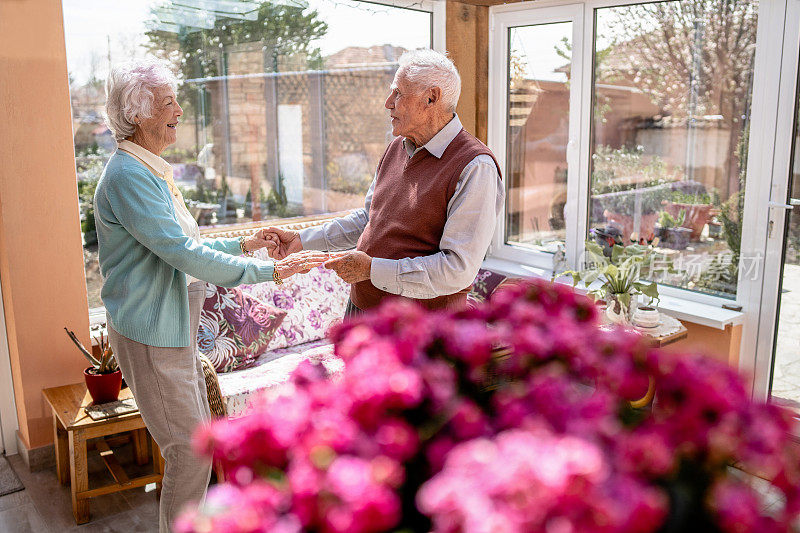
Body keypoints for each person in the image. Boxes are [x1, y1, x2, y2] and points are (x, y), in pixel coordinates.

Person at [94, 59, 327, 532]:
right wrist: (272, 270)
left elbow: (189, 246)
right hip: (152, 338)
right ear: (138, 115)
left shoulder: (150, 170)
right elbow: (182, 254)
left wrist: (245, 243)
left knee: (200, 443)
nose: (180, 109)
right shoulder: (128, 177)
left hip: (173, 333)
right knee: (190, 452)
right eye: (168, 102)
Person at [265, 49, 503, 314]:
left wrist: (371, 270)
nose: (388, 102)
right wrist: (301, 240)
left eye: (398, 93)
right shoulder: (396, 149)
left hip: (420, 330)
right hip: (361, 309)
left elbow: (456, 270)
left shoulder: (475, 166)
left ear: (431, 97)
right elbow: (369, 220)